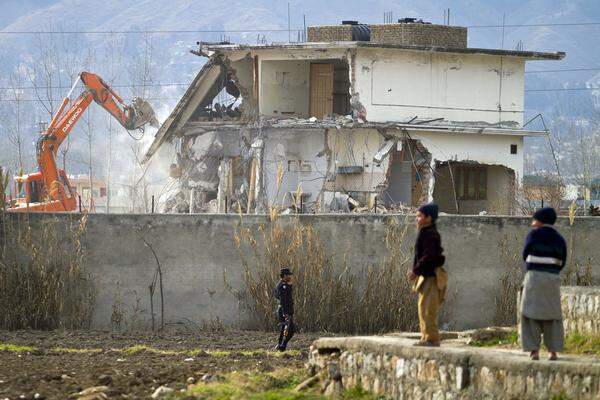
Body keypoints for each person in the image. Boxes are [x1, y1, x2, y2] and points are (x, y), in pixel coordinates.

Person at [520, 207, 567, 361]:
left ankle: (534, 351)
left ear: (540, 221)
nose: (533, 223)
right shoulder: (559, 239)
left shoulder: (533, 235)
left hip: (534, 277)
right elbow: (562, 262)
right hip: (552, 279)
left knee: (529, 313)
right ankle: (553, 351)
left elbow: (525, 254)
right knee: (552, 315)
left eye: (535, 220)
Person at [408, 203, 448, 347]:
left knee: (428, 309)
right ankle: (426, 337)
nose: (417, 219)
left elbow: (429, 256)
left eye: (420, 216)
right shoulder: (425, 233)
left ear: (428, 218)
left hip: (432, 277)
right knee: (422, 307)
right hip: (426, 276)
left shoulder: (430, 234)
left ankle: (432, 339)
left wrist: (415, 270)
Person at [275, 267, 295, 351]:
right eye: (288, 275)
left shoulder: (284, 285)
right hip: (284, 311)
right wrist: (285, 313)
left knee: (285, 329)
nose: (290, 277)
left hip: (285, 311)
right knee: (290, 329)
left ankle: (280, 346)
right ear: (284, 276)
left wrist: (289, 286)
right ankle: (282, 346)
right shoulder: (282, 286)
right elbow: (283, 301)